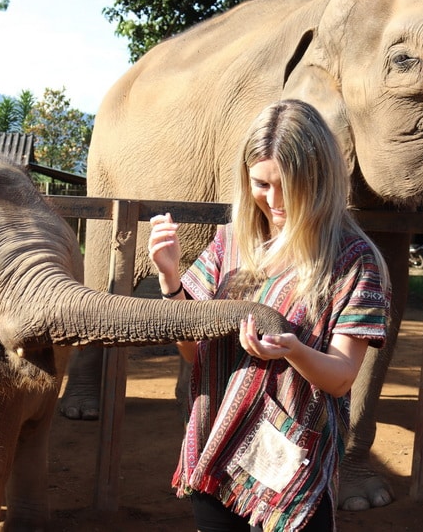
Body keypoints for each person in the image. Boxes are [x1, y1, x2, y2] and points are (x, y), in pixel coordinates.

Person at [148, 99, 391, 532]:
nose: (274, 200)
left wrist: (293, 350)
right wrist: (170, 280)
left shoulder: (355, 261)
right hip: (216, 449)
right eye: (261, 184)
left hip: (289, 467)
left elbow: (340, 378)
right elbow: (192, 352)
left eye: (289, 185)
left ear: (319, 178)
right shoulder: (230, 242)